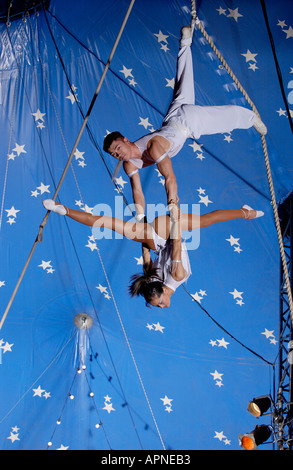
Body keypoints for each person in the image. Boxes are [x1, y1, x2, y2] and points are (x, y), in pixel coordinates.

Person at [103, 26, 267, 221]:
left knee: (222, 119)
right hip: (172, 118)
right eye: (114, 154)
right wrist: (140, 218)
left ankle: (250, 118)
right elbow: (137, 191)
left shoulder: (153, 148)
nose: (117, 154)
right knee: (183, 79)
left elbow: (169, 177)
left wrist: (172, 203)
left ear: (125, 139)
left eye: (117, 148)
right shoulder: (129, 165)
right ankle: (185, 43)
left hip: (186, 122)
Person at [42, 198, 264, 309]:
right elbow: (145, 251)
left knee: (207, 220)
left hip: (166, 230)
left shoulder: (178, 277)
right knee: (105, 222)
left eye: (158, 303)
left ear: (163, 295)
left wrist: (175, 219)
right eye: (159, 305)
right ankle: (63, 209)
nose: (161, 307)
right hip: (151, 236)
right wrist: (144, 226)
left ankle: (246, 213)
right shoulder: (152, 277)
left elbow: (176, 242)